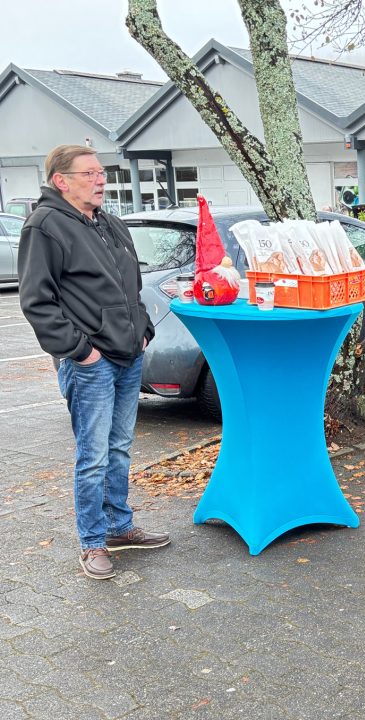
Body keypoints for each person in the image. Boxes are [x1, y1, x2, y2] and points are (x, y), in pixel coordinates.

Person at [18, 145, 170, 581]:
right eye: (89, 173)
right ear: (61, 181)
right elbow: (37, 300)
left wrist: (143, 329)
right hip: (91, 364)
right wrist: (81, 350)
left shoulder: (109, 222)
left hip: (128, 354)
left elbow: (132, 285)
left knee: (119, 448)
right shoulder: (45, 226)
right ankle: (92, 541)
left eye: (101, 172)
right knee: (93, 456)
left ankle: (120, 527)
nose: (100, 180)